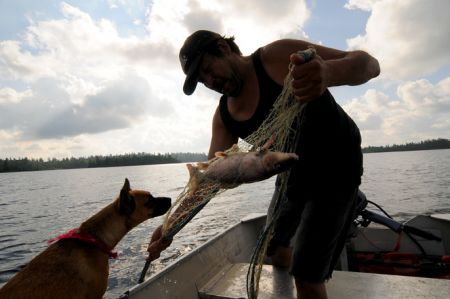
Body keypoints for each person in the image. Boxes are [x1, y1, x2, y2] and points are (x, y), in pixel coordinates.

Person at [149, 29, 380, 299]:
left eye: (208, 69)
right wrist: (170, 227)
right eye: (202, 80)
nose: (210, 82)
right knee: (274, 248)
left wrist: (328, 72)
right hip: (292, 170)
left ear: (223, 49)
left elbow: (368, 65)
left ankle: (314, 266)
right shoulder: (226, 116)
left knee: (306, 276)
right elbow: (209, 182)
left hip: (337, 167)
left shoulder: (276, 58)